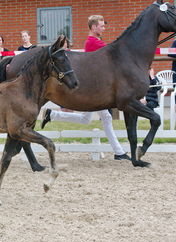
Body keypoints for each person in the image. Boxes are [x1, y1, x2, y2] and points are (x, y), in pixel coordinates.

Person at [41, 15, 130, 161]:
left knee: (86, 119)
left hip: (96, 86)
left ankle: (52, 115)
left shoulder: (95, 41)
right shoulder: (92, 42)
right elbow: (114, 51)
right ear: (94, 27)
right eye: (101, 26)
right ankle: (119, 152)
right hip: (94, 88)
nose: (104, 28)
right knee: (106, 117)